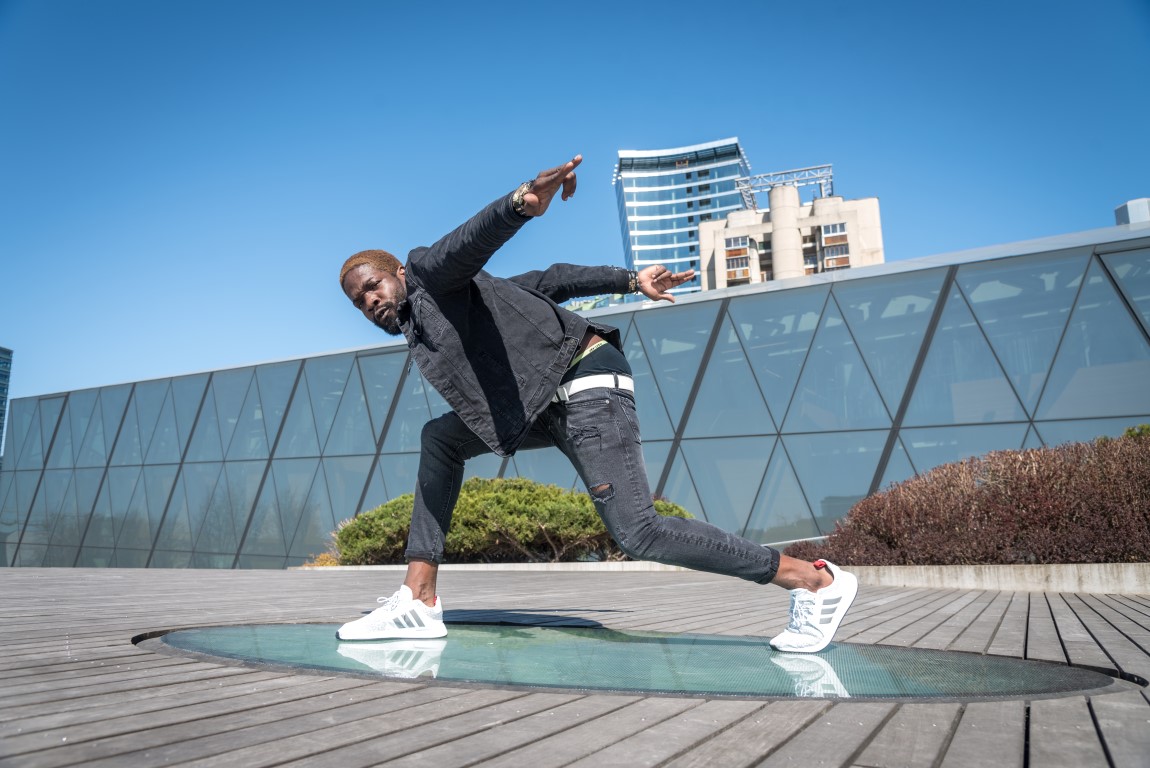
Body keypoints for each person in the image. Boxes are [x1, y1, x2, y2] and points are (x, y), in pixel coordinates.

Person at [336, 154, 857, 653]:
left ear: (398, 272)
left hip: (584, 383)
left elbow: (466, 242)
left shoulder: (430, 272)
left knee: (639, 532)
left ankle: (814, 582)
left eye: (373, 286)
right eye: (359, 302)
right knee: (441, 439)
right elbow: (551, 281)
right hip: (546, 404)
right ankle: (419, 598)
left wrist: (518, 204)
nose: (370, 302)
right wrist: (631, 280)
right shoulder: (464, 300)